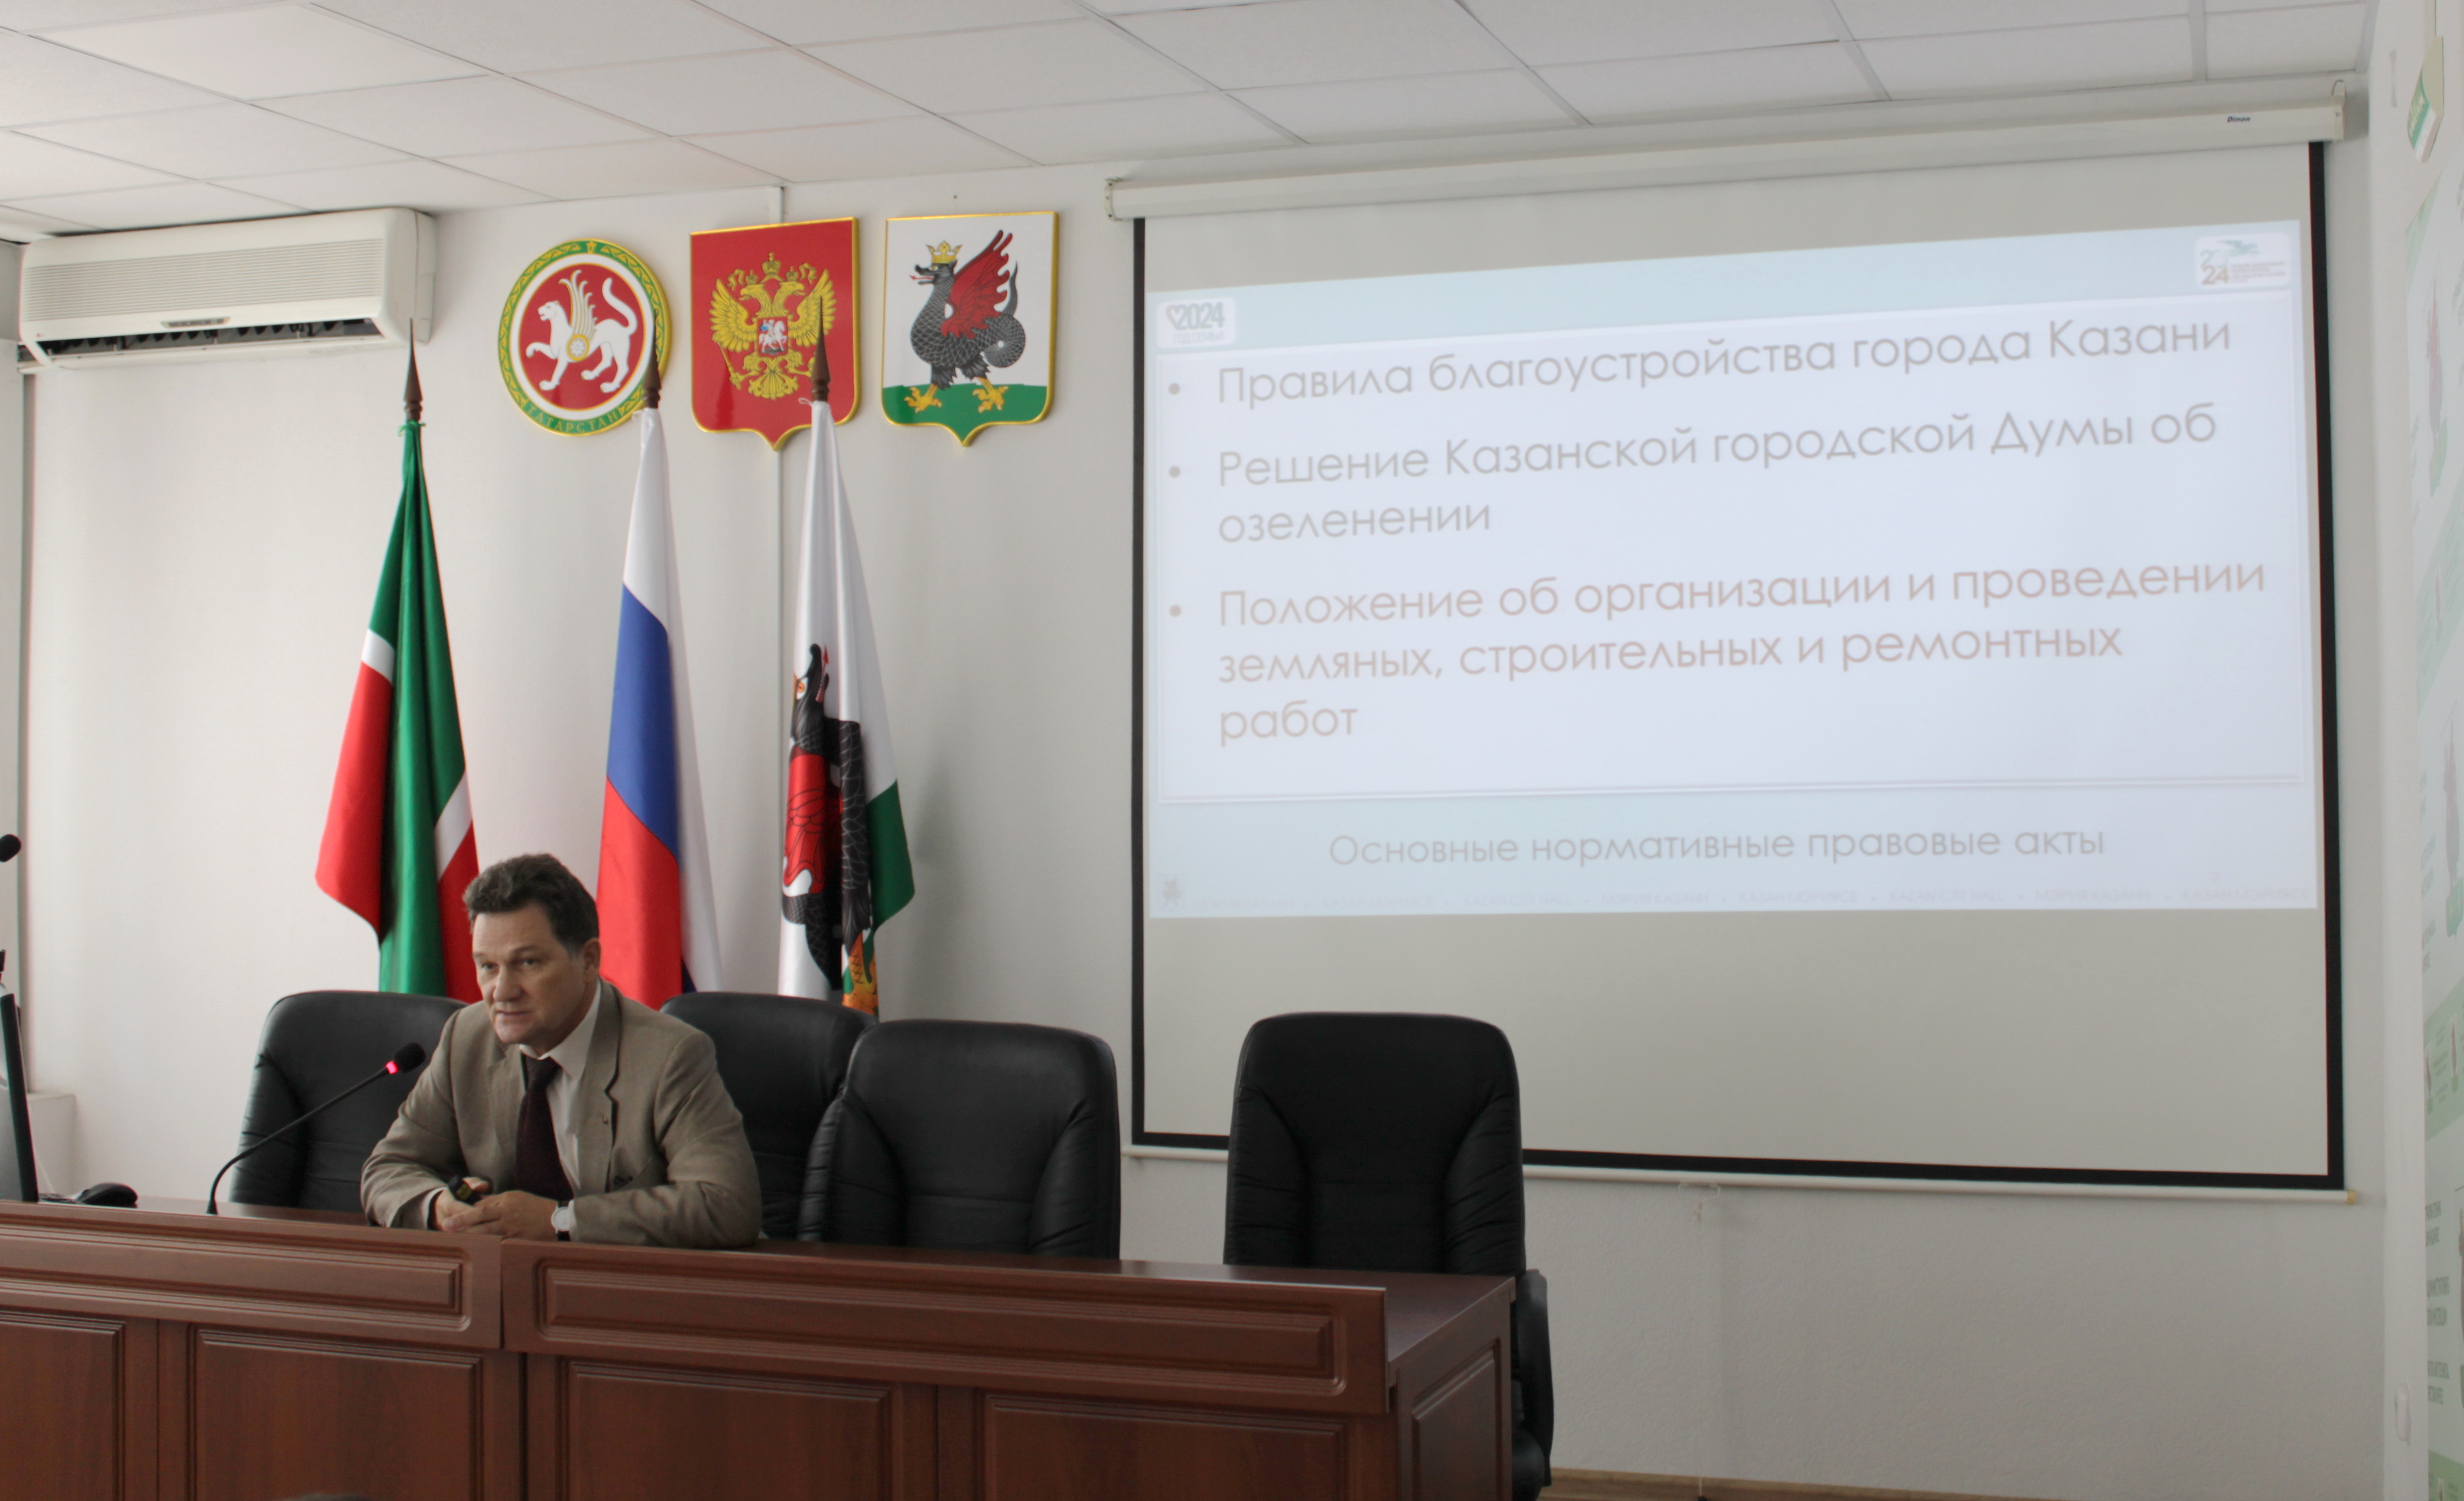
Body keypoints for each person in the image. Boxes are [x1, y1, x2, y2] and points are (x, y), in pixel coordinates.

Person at [361, 853, 760, 1247]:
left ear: (588, 961)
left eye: (527, 963)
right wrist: (436, 1206)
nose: (502, 991)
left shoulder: (669, 1055)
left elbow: (726, 1205)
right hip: (499, 1280)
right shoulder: (466, 1038)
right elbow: (388, 1168)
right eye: (487, 967)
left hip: (625, 1282)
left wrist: (559, 1221)